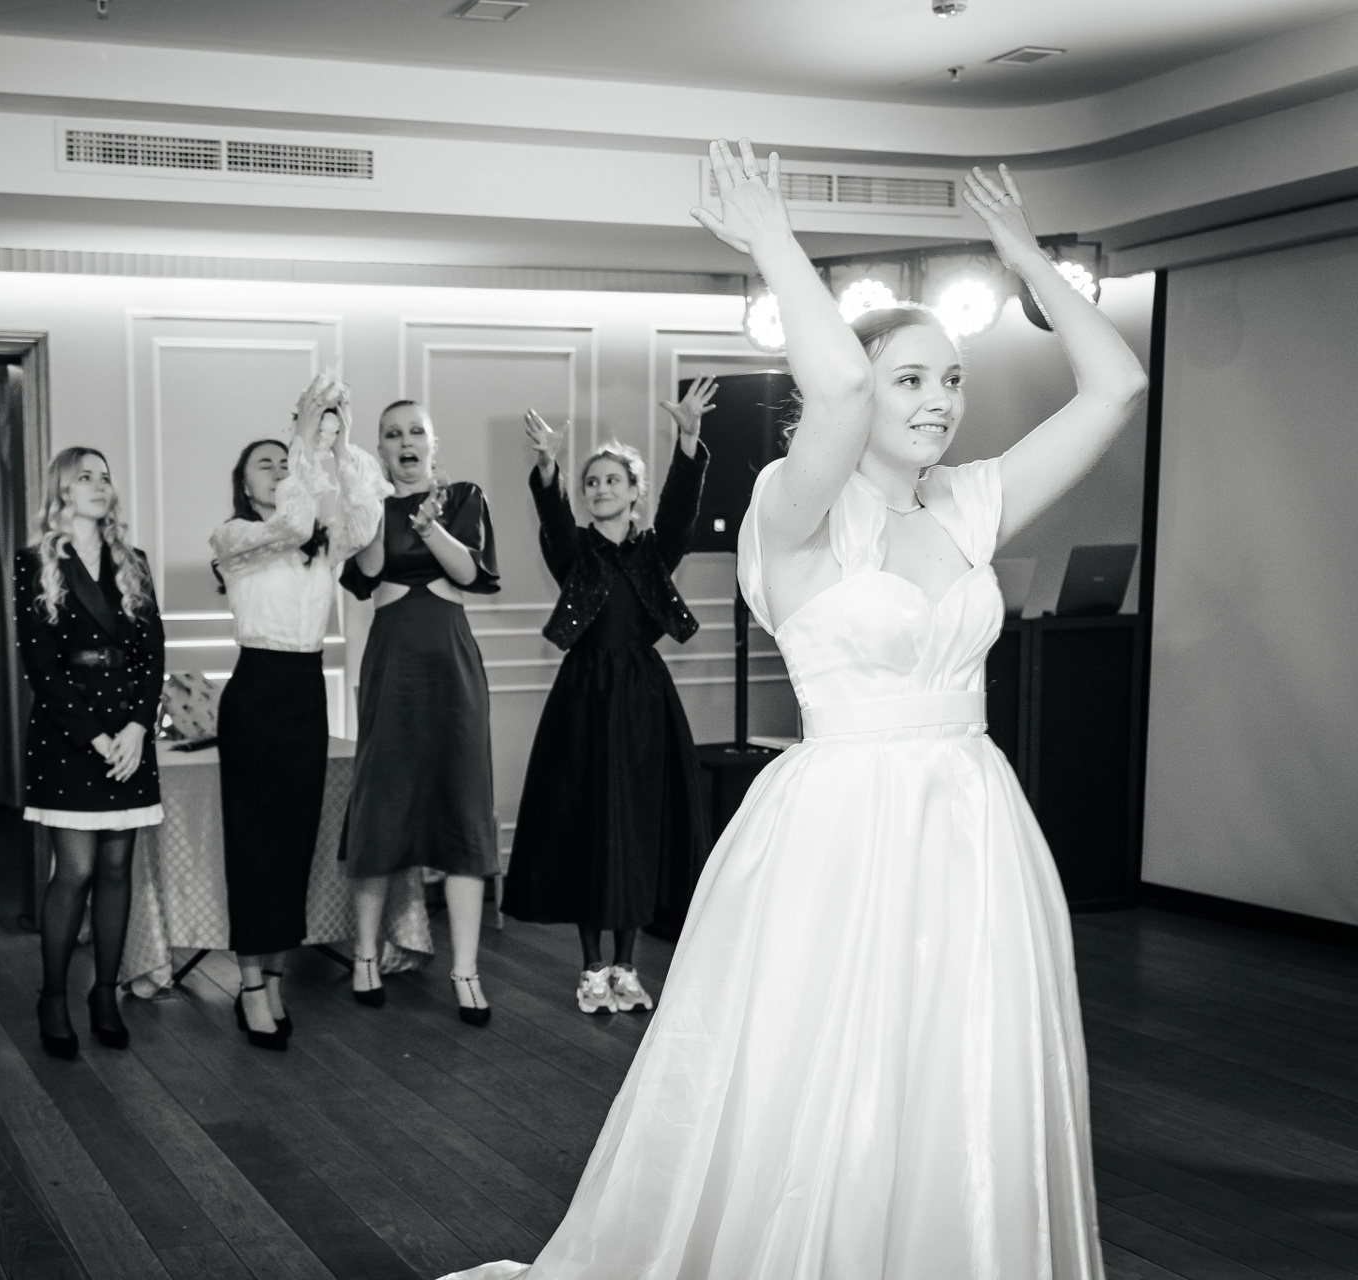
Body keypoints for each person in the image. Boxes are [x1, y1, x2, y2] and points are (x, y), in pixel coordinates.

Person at [441, 144, 1145, 1279]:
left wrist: (1023, 255)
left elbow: (1116, 387)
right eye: (911, 379)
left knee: (958, 1074)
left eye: (952, 380)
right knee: (831, 1076)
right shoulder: (792, 508)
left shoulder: (970, 503)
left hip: (973, 826)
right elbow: (840, 392)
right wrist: (775, 241)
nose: (939, 401)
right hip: (845, 829)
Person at [503, 387, 713, 1017]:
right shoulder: (575, 552)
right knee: (589, 827)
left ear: (633, 492)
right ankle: (591, 969)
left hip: (644, 702)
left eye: (611, 480)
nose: (599, 488)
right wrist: (548, 467)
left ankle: (627, 967)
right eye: (590, 481)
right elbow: (552, 519)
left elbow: (680, 511)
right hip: (584, 702)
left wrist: (688, 441)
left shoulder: (654, 553)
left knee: (635, 829)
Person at [210, 373, 390, 1050]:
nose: (282, 467)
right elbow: (289, 522)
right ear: (244, 483)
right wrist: (303, 437)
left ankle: (276, 975)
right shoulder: (234, 537)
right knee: (252, 843)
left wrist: (337, 446)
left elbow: (365, 525)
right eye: (268, 463)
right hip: (256, 692)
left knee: (294, 843)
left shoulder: (324, 540)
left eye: (286, 461)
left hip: (306, 693)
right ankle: (249, 983)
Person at [340, 400, 502, 1025]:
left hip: (452, 665)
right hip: (391, 664)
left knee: (464, 807)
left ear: (433, 444)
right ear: (381, 449)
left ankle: (466, 971)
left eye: (415, 432)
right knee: (380, 804)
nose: (405, 441)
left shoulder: (463, 496)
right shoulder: (370, 506)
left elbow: (470, 571)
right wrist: (373, 502)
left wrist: (431, 525)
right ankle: (365, 957)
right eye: (392, 434)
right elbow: (369, 571)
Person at [16, 447, 165, 1058]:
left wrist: (137, 728)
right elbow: (41, 667)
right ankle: (53, 996)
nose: (101, 486)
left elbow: (153, 654)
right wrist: (98, 737)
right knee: (74, 871)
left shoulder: (134, 562)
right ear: (62, 491)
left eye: (105, 477)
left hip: (128, 735)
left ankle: (105, 993)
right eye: (86, 477)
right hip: (69, 735)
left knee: (116, 869)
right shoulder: (36, 564)